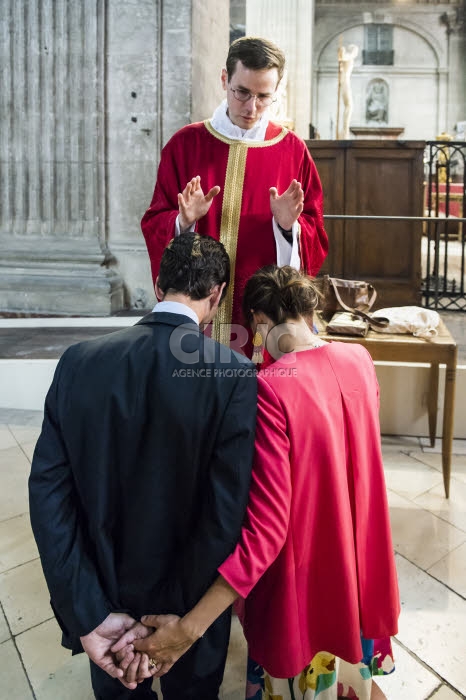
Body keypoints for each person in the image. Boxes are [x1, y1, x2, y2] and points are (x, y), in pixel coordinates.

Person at [123, 265, 400, 700]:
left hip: (305, 573)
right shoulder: (359, 360)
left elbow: (269, 522)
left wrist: (193, 623)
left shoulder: (271, 387)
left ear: (260, 321)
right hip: (357, 561)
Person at [28, 234, 258, 700]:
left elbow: (49, 498)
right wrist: (177, 622)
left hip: (105, 604)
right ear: (216, 296)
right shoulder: (232, 375)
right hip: (187, 609)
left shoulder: (78, 362)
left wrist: (89, 613)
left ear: (158, 285)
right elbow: (225, 515)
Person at [141, 36, 328, 352]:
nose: (251, 107)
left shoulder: (292, 151)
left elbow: (316, 236)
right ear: (225, 79)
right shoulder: (185, 144)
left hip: (259, 317)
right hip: (197, 312)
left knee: (253, 392)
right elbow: (154, 221)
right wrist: (182, 221)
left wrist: (287, 228)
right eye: (241, 92)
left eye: (264, 97)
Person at [337, 44, 359, 139]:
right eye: (355, 51)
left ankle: (345, 131)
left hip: (345, 81)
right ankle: (344, 132)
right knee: (349, 106)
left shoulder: (349, 57)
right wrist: (342, 51)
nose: (356, 53)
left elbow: (341, 59)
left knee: (349, 106)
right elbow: (343, 57)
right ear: (352, 51)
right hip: (345, 81)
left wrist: (341, 54)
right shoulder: (349, 56)